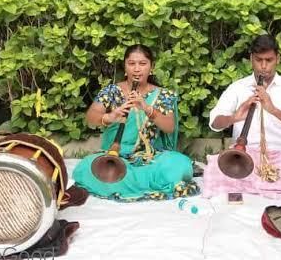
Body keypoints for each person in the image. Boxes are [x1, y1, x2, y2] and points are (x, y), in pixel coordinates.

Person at [73, 44, 198, 201]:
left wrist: (147, 108)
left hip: (151, 158)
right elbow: (91, 117)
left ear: (151, 67)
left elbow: (169, 127)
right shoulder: (112, 91)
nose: (137, 69)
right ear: (125, 67)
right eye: (131, 64)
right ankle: (141, 182)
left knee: (180, 164)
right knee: (85, 168)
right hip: (113, 157)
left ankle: (121, 182)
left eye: (142, 64)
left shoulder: (163, 94)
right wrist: (109, 117)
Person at [203, 34, 281, 204]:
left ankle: (252, 190)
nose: (263, 66)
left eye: (269, 60)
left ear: (278, 58)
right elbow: (214, 124)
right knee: (215, 169)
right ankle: (270, 190)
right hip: (243, 158)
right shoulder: (237, 87)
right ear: (251, 59)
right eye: (258, 60)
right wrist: (234, 118)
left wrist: (273, 109)